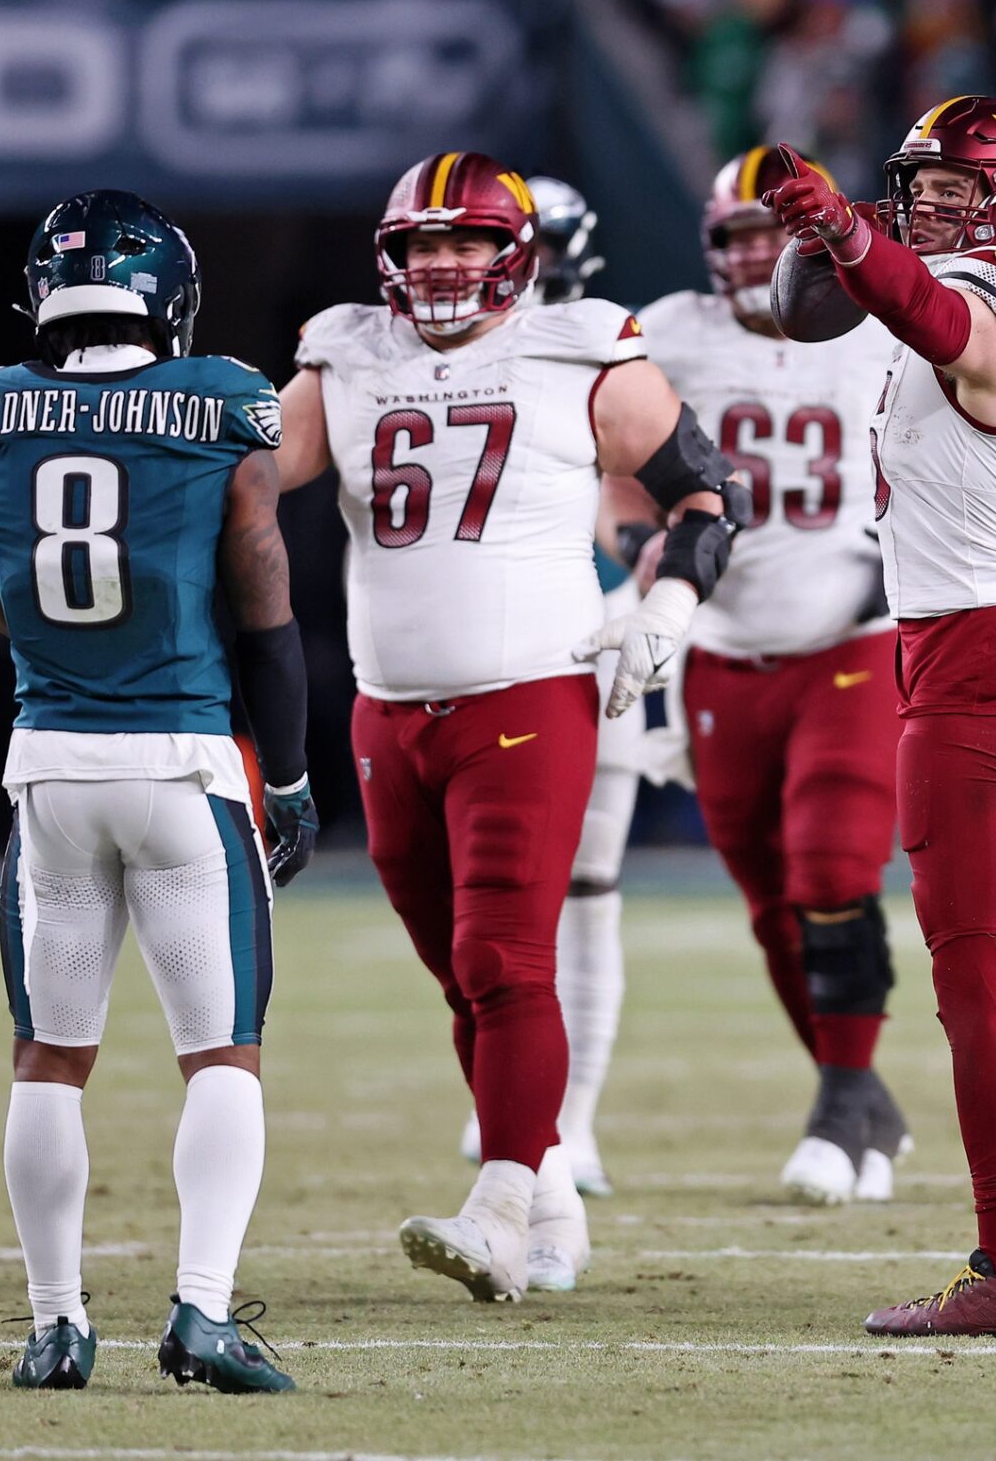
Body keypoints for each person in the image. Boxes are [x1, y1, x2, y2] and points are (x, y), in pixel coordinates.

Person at [275, 152, 745, 1300]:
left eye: (467, 242)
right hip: (387, 709)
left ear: (512, 253)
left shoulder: (578, 343)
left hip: (529, 695)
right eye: (422, 245)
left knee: (503, 956)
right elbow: (250, 479)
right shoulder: (342, 352)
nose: (442, 264)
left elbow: (704, 491)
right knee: (464, 980)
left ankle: (496, 1208)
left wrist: (667, 603)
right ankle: (549, 1199)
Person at [0, 190, 318, 1394]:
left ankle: (56, 1325)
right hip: (182, 764)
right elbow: (266, 607)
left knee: (49, 1055)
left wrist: (62, 661)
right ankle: (200, 1311)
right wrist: (294, 772)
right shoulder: (218, 400)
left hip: (49, 764)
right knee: (222, 1055)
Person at [768, 95, 996, 1335]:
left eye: (959, 191)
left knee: (978, 990)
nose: (929, 207)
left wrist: (855, 243)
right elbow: (804, 313)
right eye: (920, 186)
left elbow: (941, 322)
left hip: (980, 664)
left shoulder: (994, 297)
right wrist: (843, 241)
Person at [637, 145, 910, 1205]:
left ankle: (841, 1098)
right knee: (767, 897)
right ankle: (859, 1093)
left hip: (848, 633)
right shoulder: (670, 334)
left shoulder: (884, 323)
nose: (757, 255)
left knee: (832, 863)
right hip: (721, 640)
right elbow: (616, 464)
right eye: (738, 236)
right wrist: (640, 556)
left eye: (774, 232)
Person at [455, 174, 636, 1199]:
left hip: (586, 638)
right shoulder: (411, 353)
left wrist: (657, 601)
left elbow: (648, 500)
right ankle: (518, 1096)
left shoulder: (601, 341)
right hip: (469, 650)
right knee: (487, 897)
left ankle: (573, 1120)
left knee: (587, 886)